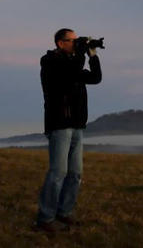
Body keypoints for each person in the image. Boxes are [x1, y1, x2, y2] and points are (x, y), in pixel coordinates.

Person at [34, 28, 102, 233]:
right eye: (71, 40)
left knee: (75, 173)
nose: (75, 43)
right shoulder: (50, 62)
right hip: (60, 124)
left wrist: (93, 55)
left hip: (77, 125)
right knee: (58, 172)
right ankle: (45, 219)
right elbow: (70, 71)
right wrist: (81, 52)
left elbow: (96, 78)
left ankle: (64, 212)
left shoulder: (74, 63)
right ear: (60, 43)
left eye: (76, 40)